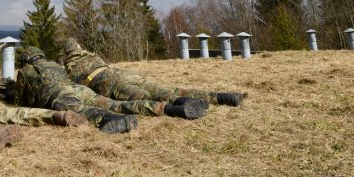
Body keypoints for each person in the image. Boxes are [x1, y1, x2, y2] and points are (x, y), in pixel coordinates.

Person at [14, 47, 206, 134]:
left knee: (84, 111)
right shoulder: (56, 65)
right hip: (79, 89)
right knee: (117, 104)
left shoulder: (26, 72)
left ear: (26, 60)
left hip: (60, 96)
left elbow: (18, 101)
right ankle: (172, 109)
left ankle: (111, 120)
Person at [62, 38, 245, 106]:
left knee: (150, 97)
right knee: (171, 89)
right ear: (79, 47)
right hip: (124, 74)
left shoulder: (70, 70)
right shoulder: (93, 56)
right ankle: (223, 97)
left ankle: (190, 105)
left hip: (111, 84)